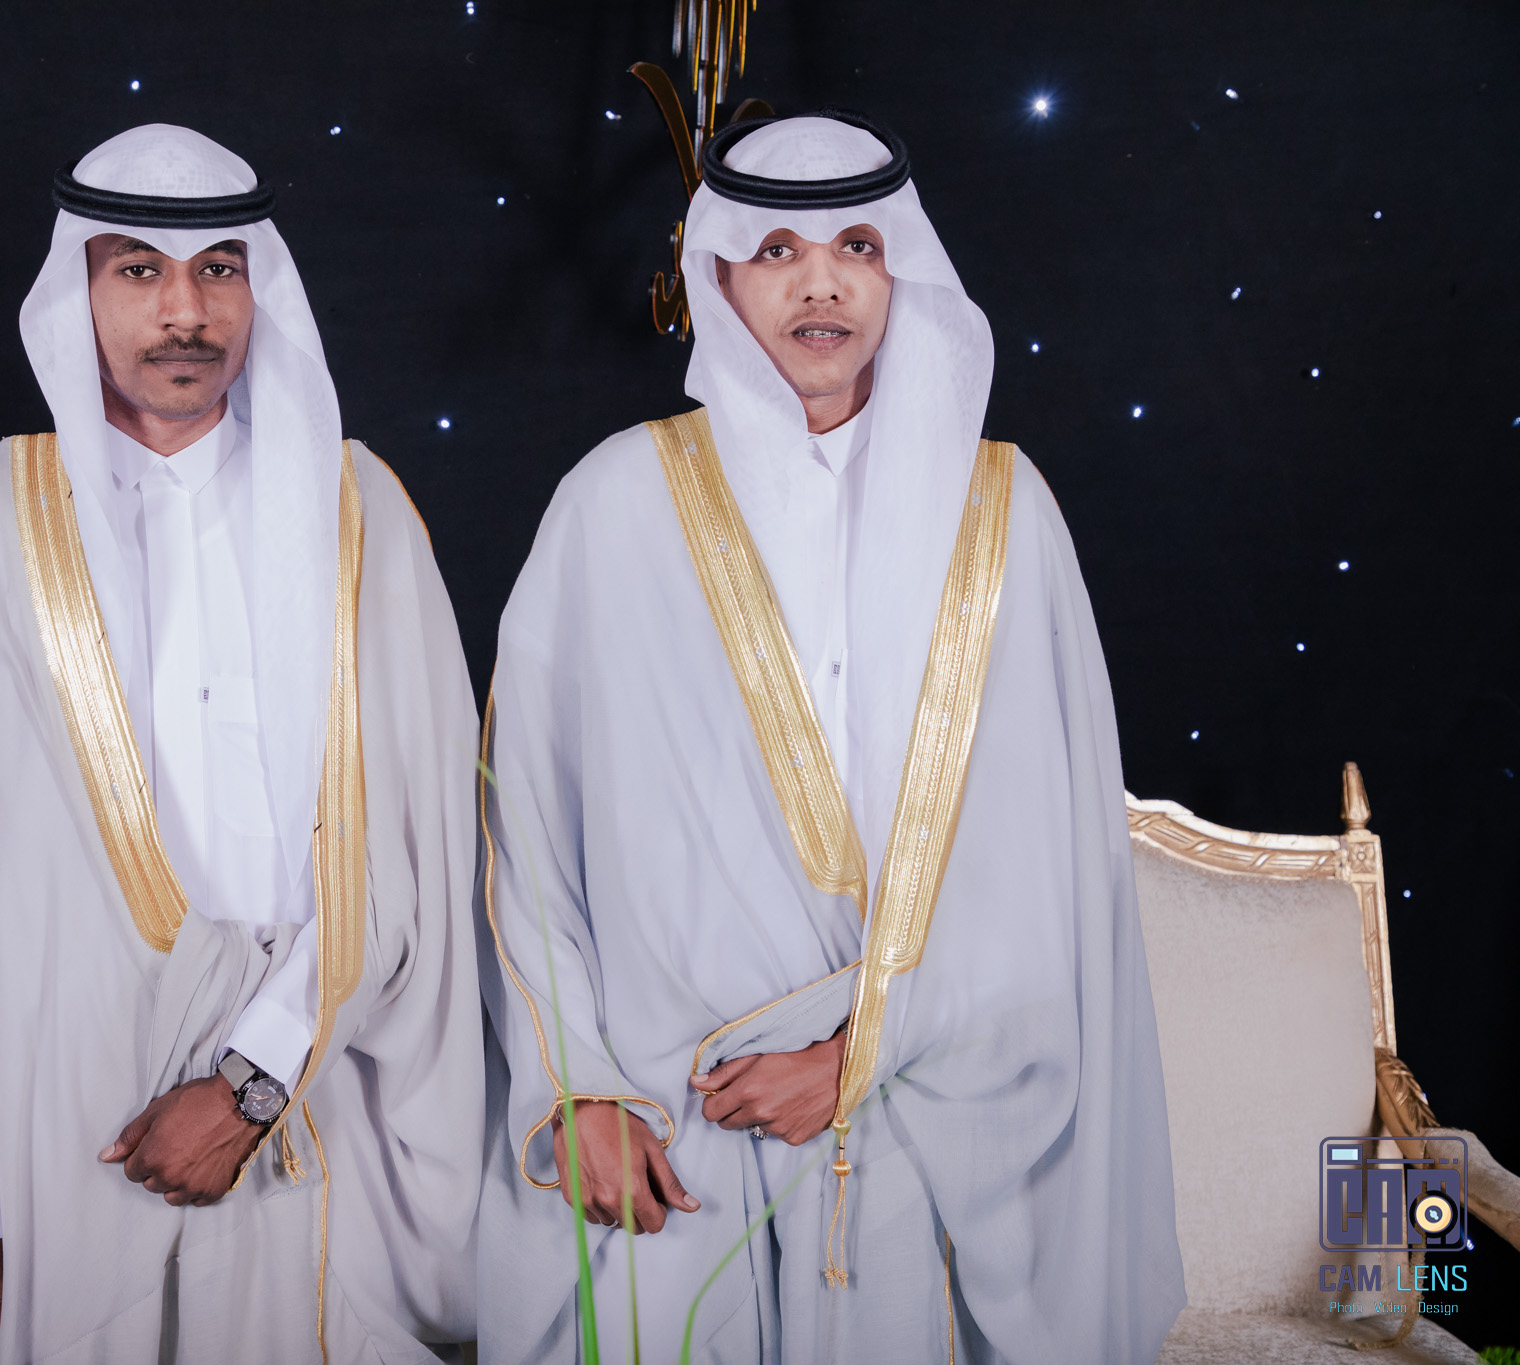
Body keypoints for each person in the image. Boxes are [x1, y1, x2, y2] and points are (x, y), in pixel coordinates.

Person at [476, 112, 1183, 1363]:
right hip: (675, 1118)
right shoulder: (611, 505)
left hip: (927, 1113)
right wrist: (575, 1087)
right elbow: (524, 831)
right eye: (776, 250)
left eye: (857, 245)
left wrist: (863, 1052)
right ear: (718, 276)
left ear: (899, 269)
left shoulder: (1002, 516)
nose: (821, 283)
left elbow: (1048, 862)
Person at [0, 123, 481, 1363]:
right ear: (75, 291)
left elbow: (418, 837)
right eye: (138, 270)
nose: (185, 312)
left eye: (218, 270)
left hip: (315, 1088)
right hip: (48, 1107)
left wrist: (254, 1079)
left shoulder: (361, 518)